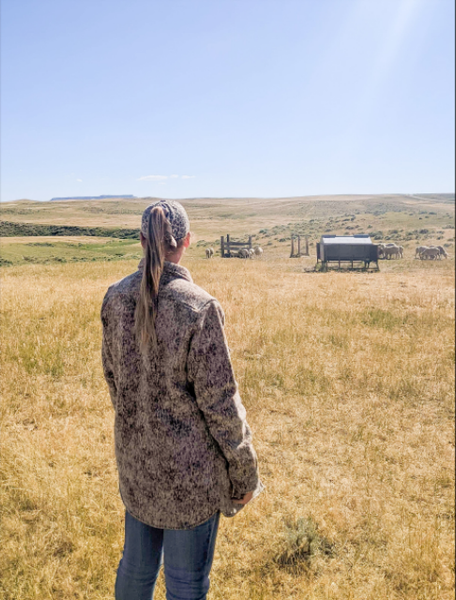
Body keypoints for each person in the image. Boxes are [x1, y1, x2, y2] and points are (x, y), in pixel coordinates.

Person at [101, 199, 263, 600]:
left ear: (141, 241)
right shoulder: (199, 307)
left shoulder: (114, 299)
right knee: (186, 585)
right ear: (187, 241)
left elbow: (114, 381)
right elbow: (221, 405)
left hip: (137, 468)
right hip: (191, 481)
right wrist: (245, 474)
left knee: (135, 572)